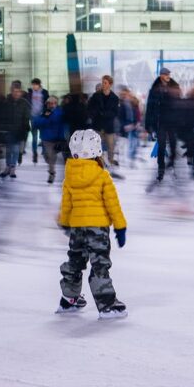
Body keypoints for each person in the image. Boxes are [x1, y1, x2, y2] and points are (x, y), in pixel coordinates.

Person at [56, 129, 127, 319]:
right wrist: (120, 227)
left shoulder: (69, 176)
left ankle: (69, 299)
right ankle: (107, 305)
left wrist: (64, 222)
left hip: (77, 228)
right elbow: (113, 204)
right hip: (97, 229)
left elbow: (66, 204)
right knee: (99, 265)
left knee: (75, 261)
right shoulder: (102, 176)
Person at [145, 67, 182, 181]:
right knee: (161, 146)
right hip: (160, 122)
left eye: (168, 74)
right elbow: (149, 108)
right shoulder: (154, 89)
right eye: (166, 74)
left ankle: (171, 164)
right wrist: (148, 125)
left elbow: (179, 105)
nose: (168, 76)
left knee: (173, 145)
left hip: (172, 121)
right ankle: (161, 169)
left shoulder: (174, 88)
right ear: (161, 75)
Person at [88, 74, 121, 168]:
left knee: (111, 146)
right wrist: (94, 115)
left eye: (105, 83)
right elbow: (90, 108)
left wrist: (104, 114)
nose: (103, 84)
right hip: (97, 125)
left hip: (109, 126)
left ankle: (110, 162)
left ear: (110, 84)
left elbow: (115, 112)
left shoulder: (115, 98)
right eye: (102, 82)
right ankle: (99, 163)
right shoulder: (96, 95)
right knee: (96, 146)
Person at [32, 96, 66, 184]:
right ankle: (52, 168)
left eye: (52, 103)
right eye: (49, 103)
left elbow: (61, 125)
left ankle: (52, 173)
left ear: (56, 103)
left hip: (56, 138)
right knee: (47, 157)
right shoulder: (44, 113)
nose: (50, 105)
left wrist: (61, 138)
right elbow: (36, 123)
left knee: (51, 157)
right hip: (46, 138)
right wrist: (45, 117)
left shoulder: (60, 113)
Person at [3, 80, 31, 178]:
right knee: (8, 150)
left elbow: (26, 117)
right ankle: (7, 167)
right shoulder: (6, 101)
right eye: (14, 91)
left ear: (20, 92)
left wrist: (25, 129)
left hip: (19, 131)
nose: (16, 93)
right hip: (8, 130)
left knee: (14, 150)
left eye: (18, 91)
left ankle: (12, 168)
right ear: (11, 91)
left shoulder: (24, 103)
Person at [27, 78, 50, 164]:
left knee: (43, 135)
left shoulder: (44, 92)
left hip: (41, 116)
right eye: (32, 85)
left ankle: (44, 151)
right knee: (34, 136)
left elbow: (48, 104)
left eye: (35, 85)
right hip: (33, 116)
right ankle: (34, 152)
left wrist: (46, 114)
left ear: (39, 85)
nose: (33, 86)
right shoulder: (30, 93)